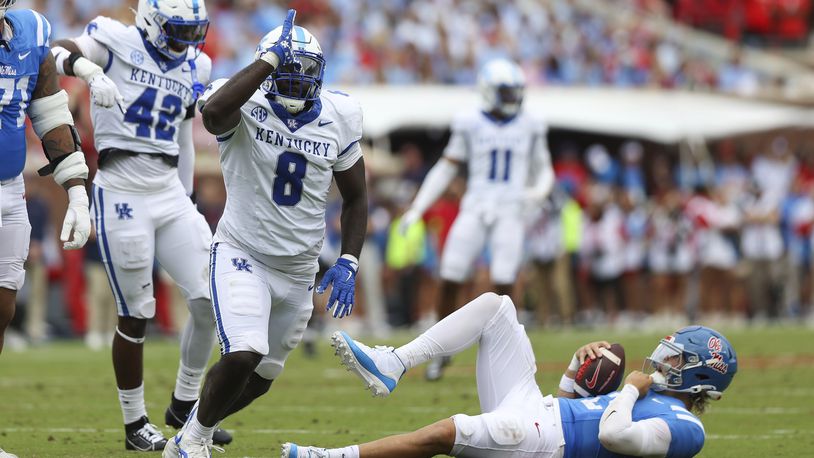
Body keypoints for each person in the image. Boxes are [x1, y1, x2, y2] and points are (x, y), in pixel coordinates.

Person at [163, 9, 368, 457]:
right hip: (244, 252)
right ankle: (190, 444)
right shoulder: (242, 104)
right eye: (286, 72)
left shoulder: (340, 114)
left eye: (304, 74)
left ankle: (189, 429)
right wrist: (271, 60)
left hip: (298, 268)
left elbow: (356, 196)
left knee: (261, 378)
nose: (296, 83)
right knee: (244, 351)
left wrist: (350, 260)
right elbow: (213, 112)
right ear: (267, 67)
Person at [49, 0, 230, 451]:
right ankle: (135, 424)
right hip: (121, 189)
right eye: (178, 30)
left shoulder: (196, 64)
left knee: (211, 297)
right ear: (151, 22)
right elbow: (51, 54)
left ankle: (185, 406)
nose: (188, 42)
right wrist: (89, 72)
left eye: (194, 31)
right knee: (136, 314)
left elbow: (185, 136)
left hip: (169, 191)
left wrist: (187, 198)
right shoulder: (116, 40)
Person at [283, 292, 737, 458]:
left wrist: (630, 392)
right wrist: (574, 379)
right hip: (541, 413)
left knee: (447, 432)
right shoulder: (651, 400)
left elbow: (613, 438)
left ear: (700, 378)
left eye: (675, 360)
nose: (661, 361)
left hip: (543, 443)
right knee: (497, 308)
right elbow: (576, 412)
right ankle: (393, 364)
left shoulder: (686, 429)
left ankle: (330, 456)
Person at [398, 58, 554, 381]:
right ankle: (439, 351)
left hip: (510, 207)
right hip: (477, 205)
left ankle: (508, 356)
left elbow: (544, 170)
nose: (512, 99)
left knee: (505, 280)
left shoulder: (531, 123)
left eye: (515, 92)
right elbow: (446, 167)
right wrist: (418, 207)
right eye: (505, 92)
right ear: (487, 92)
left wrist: (536, 193)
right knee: (450, 273)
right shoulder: (469, 121)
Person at [0, 1, 92, 456]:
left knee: (2, 309)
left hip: (9, 188)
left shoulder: (29, 32)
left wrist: (76, 190)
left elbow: (52, 113)